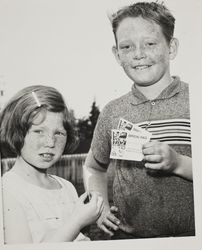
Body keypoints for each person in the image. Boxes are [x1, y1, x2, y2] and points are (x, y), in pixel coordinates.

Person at [83, 1, 195, 239]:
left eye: (150, 43)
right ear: (116, 54)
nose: (138, 54)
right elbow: (93, 167)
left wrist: (178, 164)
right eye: (126, 46)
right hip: (129, 239)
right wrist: (99, 207)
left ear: (172, 47)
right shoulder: (112, 112)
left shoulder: (195, 101)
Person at [0, 85, 104, 244]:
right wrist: (77, 221)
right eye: (38, 131)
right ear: (16, 133)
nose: (50, 142)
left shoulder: (66, 187)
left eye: (59, 133)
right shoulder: (7, 190)